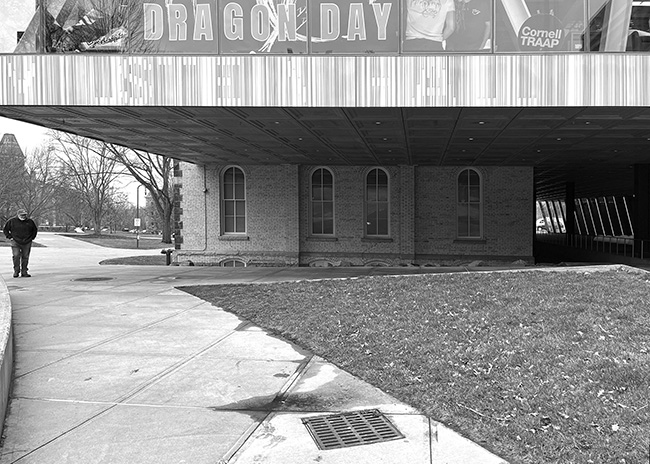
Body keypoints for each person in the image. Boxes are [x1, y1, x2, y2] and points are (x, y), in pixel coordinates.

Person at [3, 209, 38, 278]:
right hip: (15, 241)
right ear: (18, 215)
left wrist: (32, 238)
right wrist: (10, 237)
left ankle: (24, 272)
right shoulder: (12, 221)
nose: (23, 216)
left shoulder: (30, 222)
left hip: (27, 242)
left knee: (25, 257)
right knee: (16, 256)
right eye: (22, 215)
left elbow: (34, 230)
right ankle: (16, 271)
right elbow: (5, 230)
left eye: (25, 215)